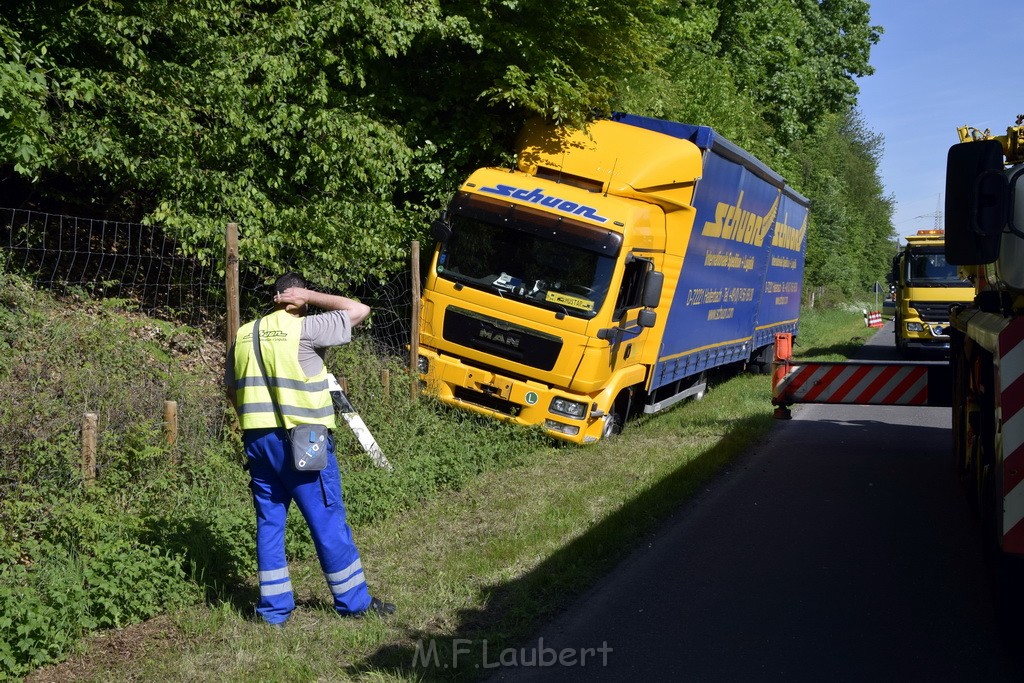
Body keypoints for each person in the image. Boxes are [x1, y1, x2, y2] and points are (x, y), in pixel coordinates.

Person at [226, 272, 395, 626]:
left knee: (269, 521)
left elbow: (231, 390)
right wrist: (312, 295)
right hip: (304, 436)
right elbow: (359, 309)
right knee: (326, 518)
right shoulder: (306, 328)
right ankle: (354, 602)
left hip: (257, 439)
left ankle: (273, 610)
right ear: (296, 295)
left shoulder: (243, 334)